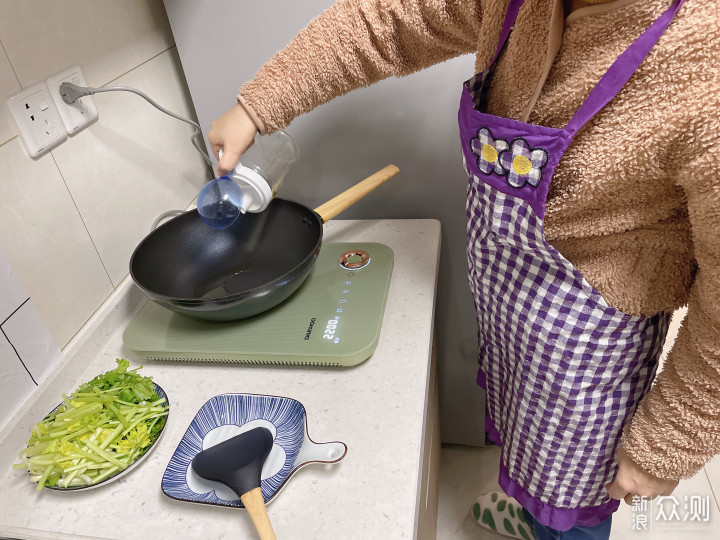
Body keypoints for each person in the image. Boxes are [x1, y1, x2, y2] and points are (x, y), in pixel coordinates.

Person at [207, 0, 720, 538]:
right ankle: (525, 512)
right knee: (524, 439)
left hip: (591, 342)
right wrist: (258, 105)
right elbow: (390, 20)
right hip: (508, 294)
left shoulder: (701, 62)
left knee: (571, 503)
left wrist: (666, 443)